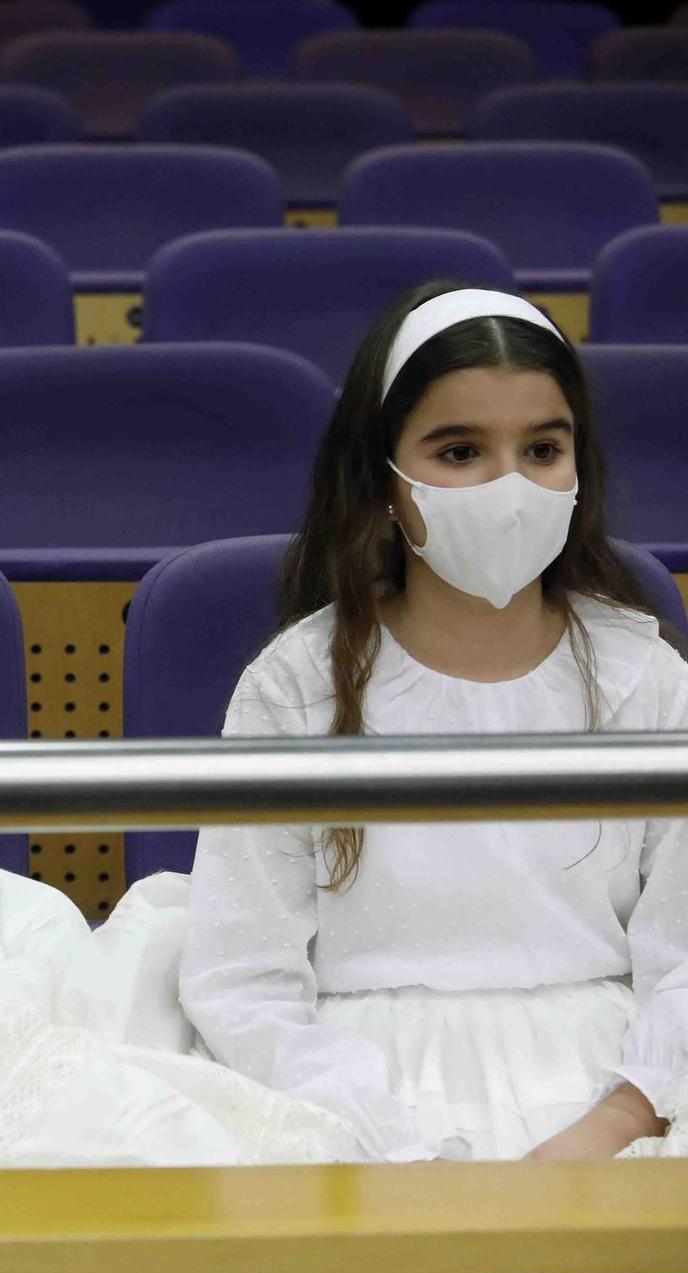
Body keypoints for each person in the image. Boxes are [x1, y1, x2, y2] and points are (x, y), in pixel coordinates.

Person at [179, 285, 687, 1161]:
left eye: (542, 449)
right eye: (460, 451)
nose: (511, 487)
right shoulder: (296, 686)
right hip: (343, 1084)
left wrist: (616, 1123)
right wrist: (399, 1148)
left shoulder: (647, 679)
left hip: (625, 1083)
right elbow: (245, 976)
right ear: (384, 478)